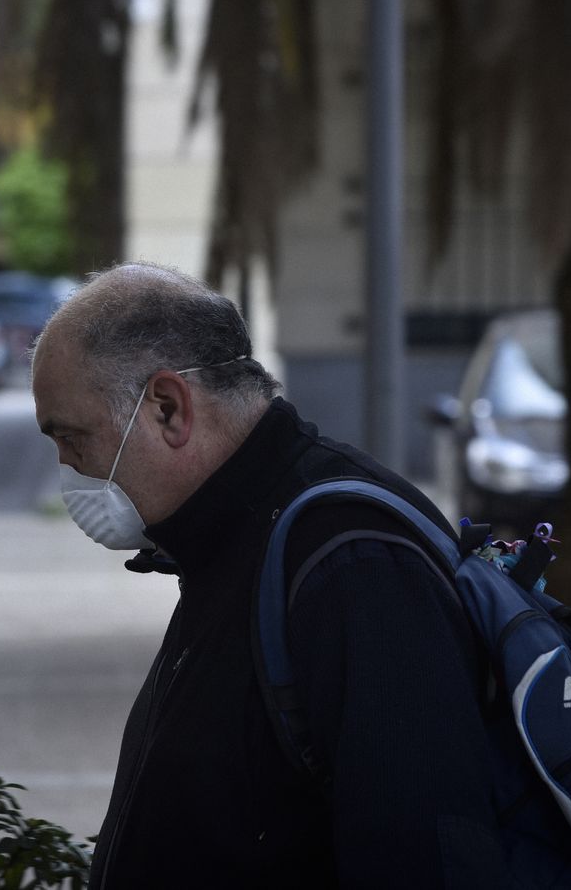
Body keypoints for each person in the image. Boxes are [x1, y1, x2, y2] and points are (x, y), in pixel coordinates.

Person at [30, 262, 528, 889]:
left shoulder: (355, 563)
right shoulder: (235, 536)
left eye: (73, 437)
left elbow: (422, 854)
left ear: (167, 408)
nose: (68, 468)